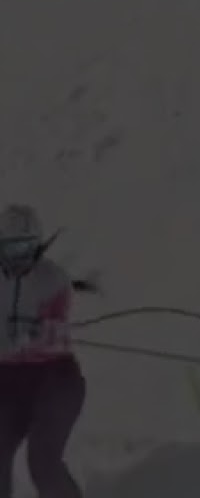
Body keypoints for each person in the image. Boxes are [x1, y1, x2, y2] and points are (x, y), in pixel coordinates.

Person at [0, 203, 98, 498]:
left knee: (43, 462)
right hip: (8, 382)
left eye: (25, 248)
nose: (18, 257)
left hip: (55, 379)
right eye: (11, 249)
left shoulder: (52, 279)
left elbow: (56, 329)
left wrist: (39, 333)